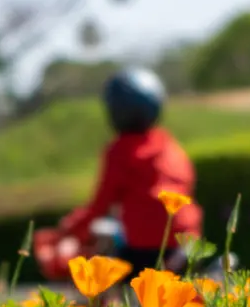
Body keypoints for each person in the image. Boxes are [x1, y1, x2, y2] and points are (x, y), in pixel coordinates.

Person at [58, 67, 203, 271]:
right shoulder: (170, 146)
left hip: (145, 249)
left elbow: (100, 206)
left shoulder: (120, 151)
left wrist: (69, 227)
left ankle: (103, 301)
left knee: (102, 267)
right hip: (188, 239)